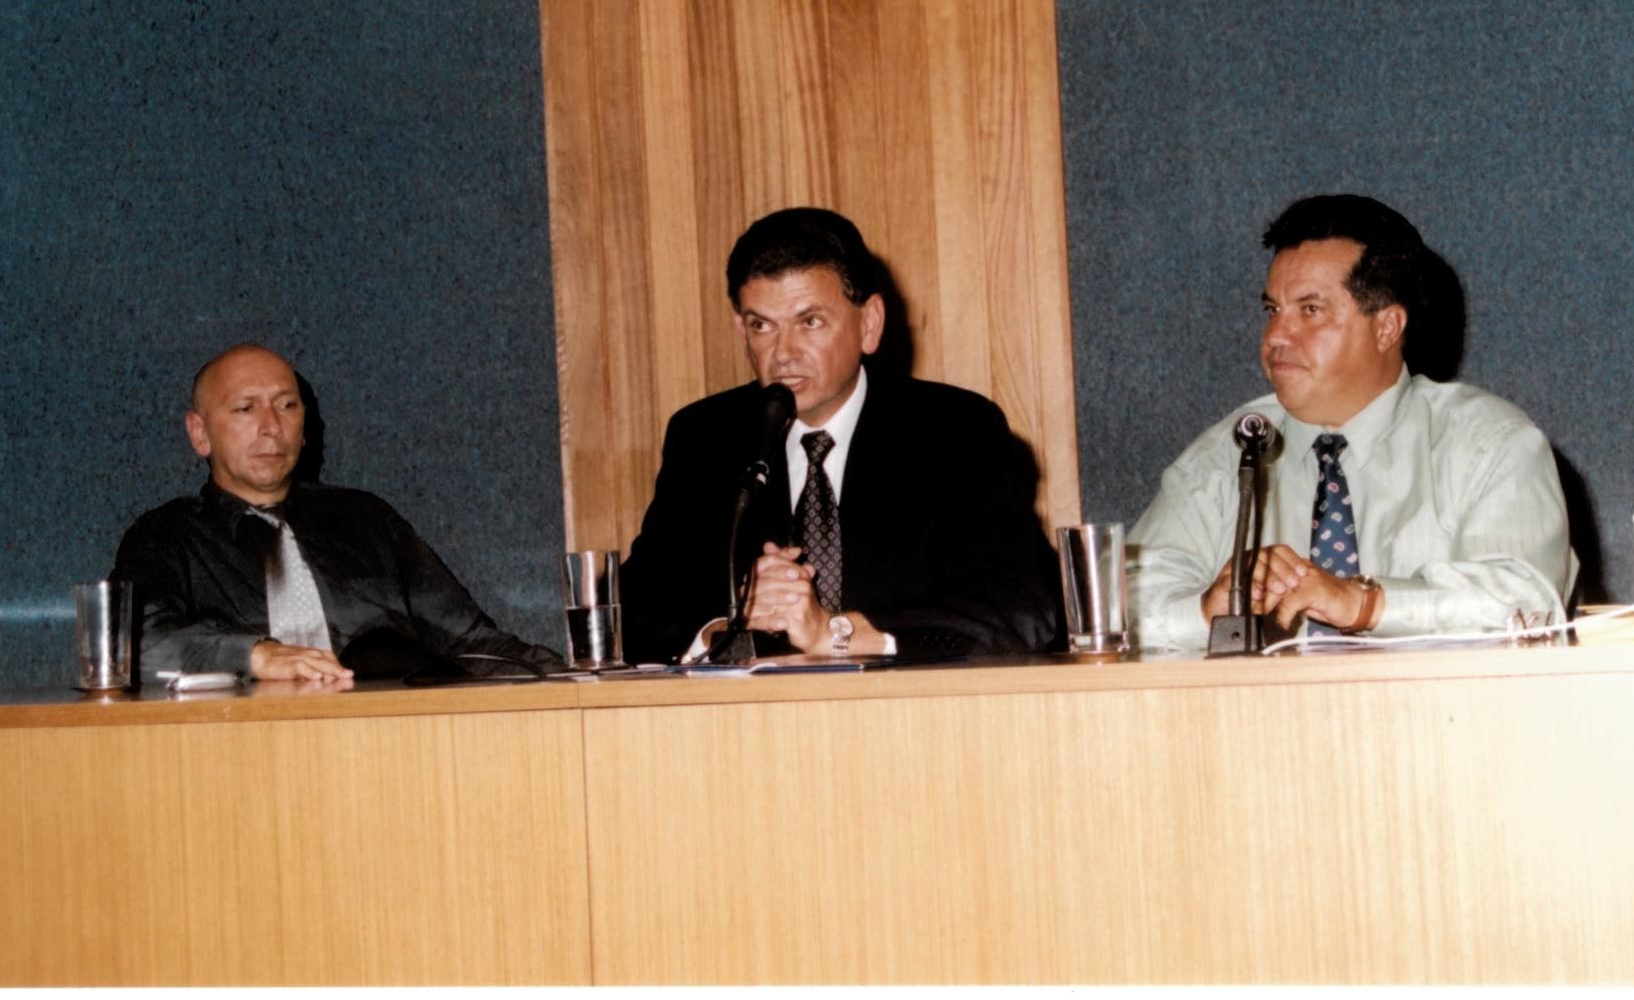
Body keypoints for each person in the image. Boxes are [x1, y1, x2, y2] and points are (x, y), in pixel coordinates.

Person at [1127, 195, 1576, 651]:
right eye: (1272, 310)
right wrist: (1206, 611)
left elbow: (1526, 604)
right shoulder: (1228, 455)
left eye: (1310, 310)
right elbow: (1116, 607)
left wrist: (1363, 604)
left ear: (1386, 327)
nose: (1276, 336)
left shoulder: (1489, 444)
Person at [620, 207, 1061, 665]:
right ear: (740, 329)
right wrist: (728, 628)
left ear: (869, 324)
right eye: (761, 325)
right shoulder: (705, 437)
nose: (783, 353)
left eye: (810, 321)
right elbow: (629, 612)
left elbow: (1024, 609)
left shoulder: (958, 430)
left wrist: (834, 633)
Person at [114, 344, 560, 682]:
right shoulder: (166, 536)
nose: (272, 427)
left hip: (386, 742)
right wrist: (256, 655)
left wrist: (568, 678)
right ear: (199, 433)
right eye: (246, 409)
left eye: (287, 406)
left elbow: (469, 641)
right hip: (241, 749)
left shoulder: (367, 520)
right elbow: (134, 643)